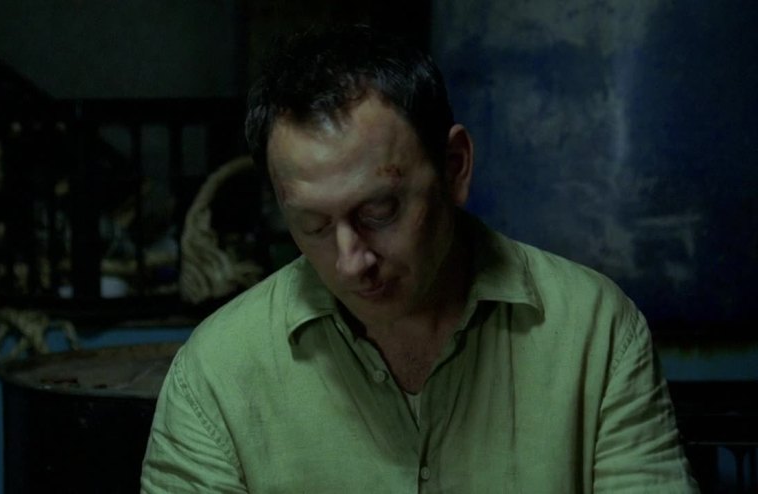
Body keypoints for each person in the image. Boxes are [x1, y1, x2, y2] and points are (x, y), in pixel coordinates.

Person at [141, 25, 698, 493]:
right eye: (312, 225)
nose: (351, 262)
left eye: (379, 211)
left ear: (454, 167)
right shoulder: (217, 375)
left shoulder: (594, 334)